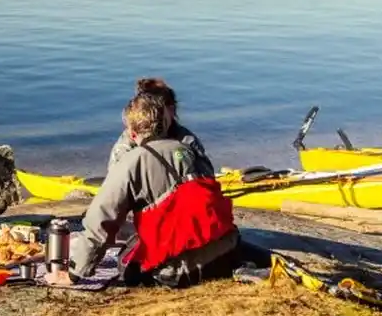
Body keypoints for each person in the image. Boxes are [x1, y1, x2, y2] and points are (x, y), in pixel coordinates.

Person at [48, 92, 244, 289]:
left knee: (126, 262)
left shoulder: (132, 162)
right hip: (227, 250)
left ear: (132, 134)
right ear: (166, 123)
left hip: (180, 270)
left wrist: (74, 273)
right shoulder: (189, 149)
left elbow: (101, 221)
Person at [107, 77, 213, 176]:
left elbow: (206, 174)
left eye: (159, 110)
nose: (155, 115)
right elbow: (115, 175)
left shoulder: (186, 140)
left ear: (171, 110)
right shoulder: (129, 140)